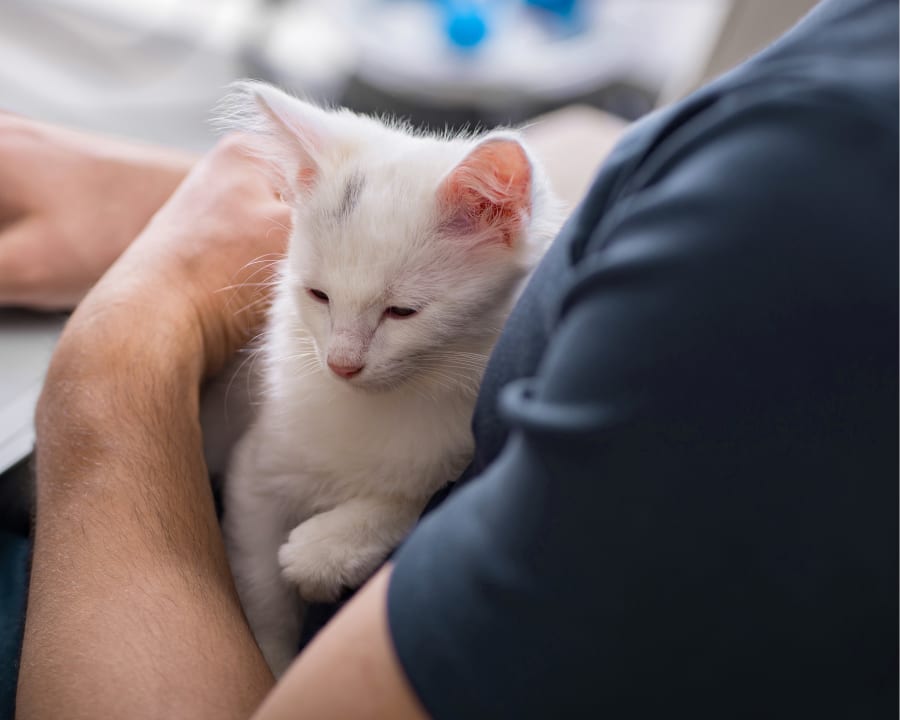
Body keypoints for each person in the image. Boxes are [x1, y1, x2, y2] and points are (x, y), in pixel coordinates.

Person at [5, 0, 897, 717]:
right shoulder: (834, 81)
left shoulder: (812, 215)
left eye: (397, 314)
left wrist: (126, 338)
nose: (345, 360)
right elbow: (607, 184)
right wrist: (187, 210)